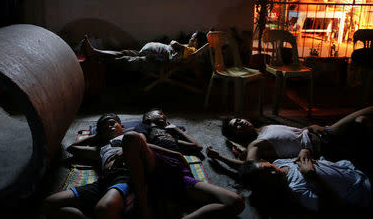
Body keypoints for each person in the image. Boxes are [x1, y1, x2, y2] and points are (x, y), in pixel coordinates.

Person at [122, 131, 245, 219]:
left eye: (163, 114)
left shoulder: (171, 131)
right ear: (148, 117)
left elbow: (197, 146)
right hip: (157, 163)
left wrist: (175, 129)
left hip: (179, 174)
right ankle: (145, 207)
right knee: (131, 137)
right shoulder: (146, 128)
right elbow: (140, 143)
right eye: (158, 113)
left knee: (236, 202)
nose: (162, 115)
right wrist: (175, 153)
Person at [42, 113, 132, 219]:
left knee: (104, 209)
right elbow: (72, 148)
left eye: (112, 123)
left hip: (123, 175)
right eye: (104, 127)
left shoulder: (131, 138)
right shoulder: (101, 149)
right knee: (48, 204)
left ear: (122, 127)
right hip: (103, 181)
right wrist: (98, 135)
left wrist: (126, 148)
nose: (109, 127)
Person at [217, 106, 373, 166]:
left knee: (364, 117)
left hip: (324, 132)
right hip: (324, 148)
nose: (240, 124)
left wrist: (311, 127)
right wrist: (220, 157)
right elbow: (251, 166)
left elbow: (296, 132)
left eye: (238, 120)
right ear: (238, 137)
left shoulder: (266, 126)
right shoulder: (256, 144)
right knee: (362, 122)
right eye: (236, 127)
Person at [237, 155, 371, 216]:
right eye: (268, 178)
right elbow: (337, 207)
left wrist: (304, 152)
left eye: (267, 168)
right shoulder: (296, 190)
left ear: (264, 161)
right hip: (362, 189)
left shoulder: (279, 162)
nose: (274, 172)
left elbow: (303, 157)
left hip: (350, 168)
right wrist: (312, 176)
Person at [81, 31, 208, 64]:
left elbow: (174, 44)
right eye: (191, 37)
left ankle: (96, 54)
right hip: (149, 54)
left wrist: (175, 43)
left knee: (123, 57)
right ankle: (96, 52)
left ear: (197, 43)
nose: (191, 39)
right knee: (124, 52)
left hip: (153, 57)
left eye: (193, 38)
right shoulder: (188, 49)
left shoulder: (192, 51)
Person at [133, 108, 203, 155]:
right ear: (148, 117)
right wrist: (173, 153)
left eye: (163, 114)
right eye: (160, 113)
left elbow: (198, 147)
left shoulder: (171, 133)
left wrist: (177, 130)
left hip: (176, 162)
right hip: (157, 157)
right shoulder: (144, 126)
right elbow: (141, 144)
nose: (163, 116)